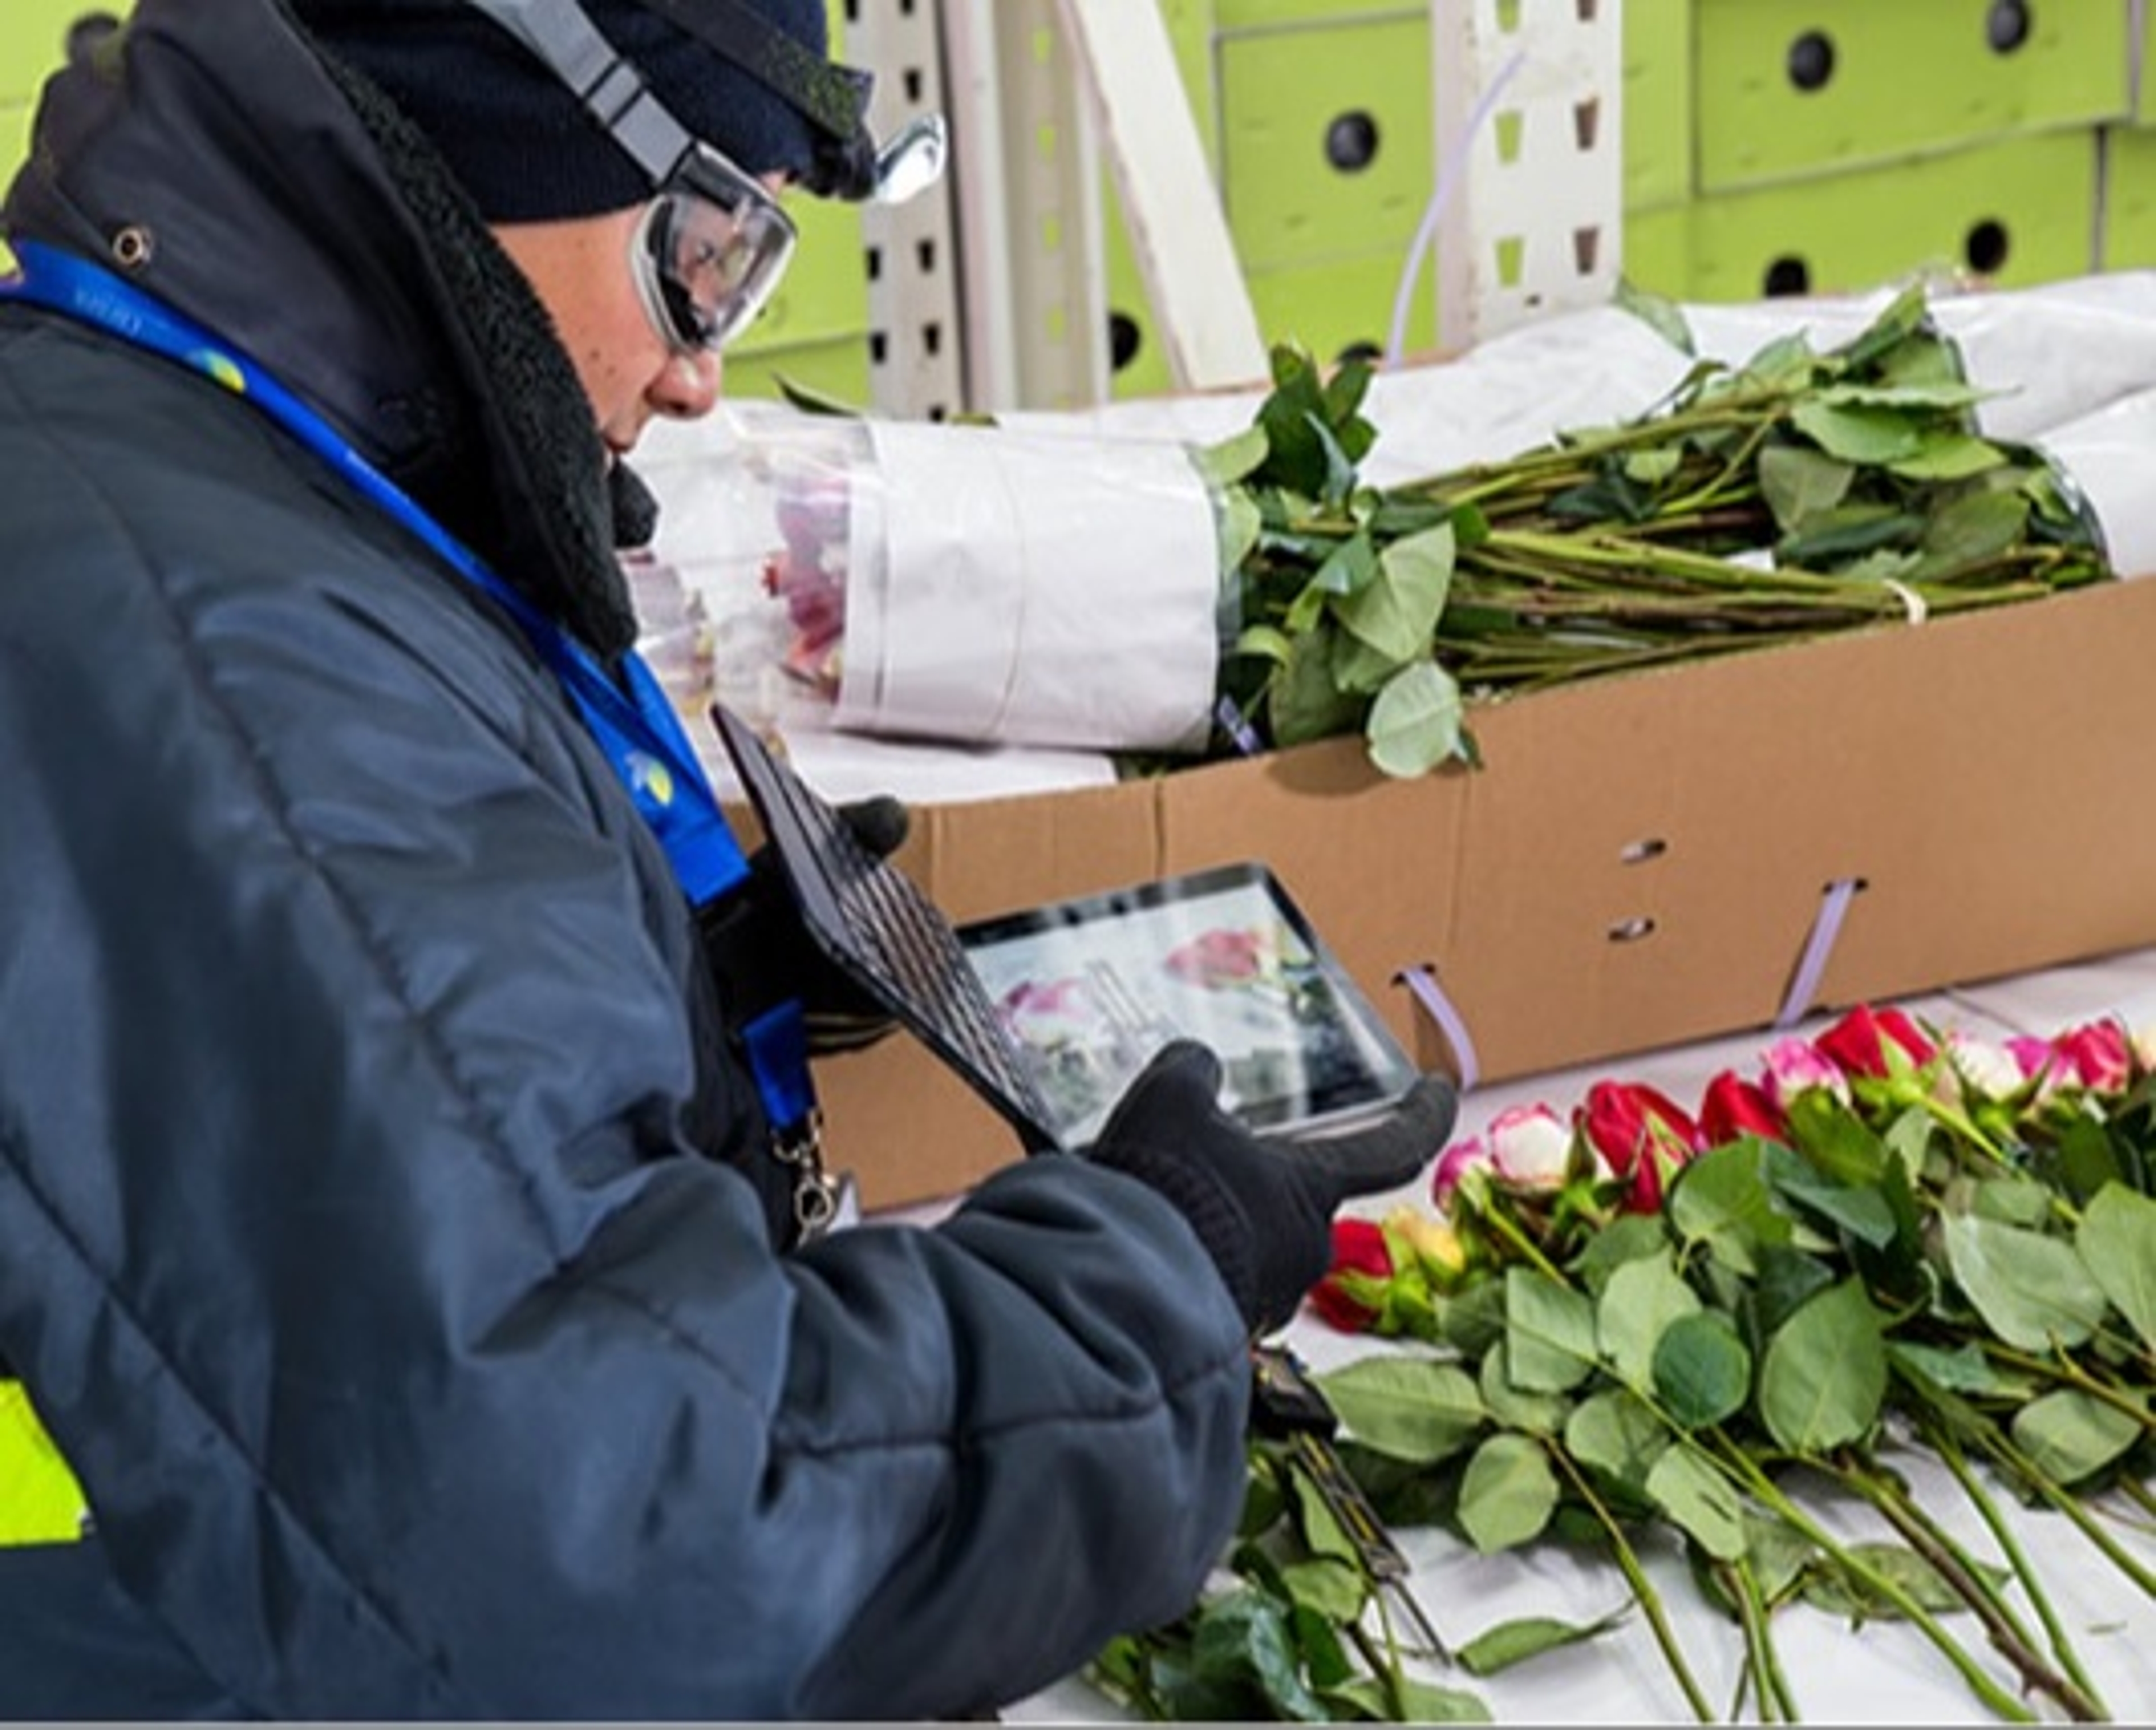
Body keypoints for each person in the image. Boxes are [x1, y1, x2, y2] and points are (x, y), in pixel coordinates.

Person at [0, 0, 1456, 1718]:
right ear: (496, 132)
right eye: (704, 251)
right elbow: (641, 1543)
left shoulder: (180, 432)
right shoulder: (254, 672)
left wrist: (670, 990)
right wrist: (1157, 1273)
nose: (702, 368)